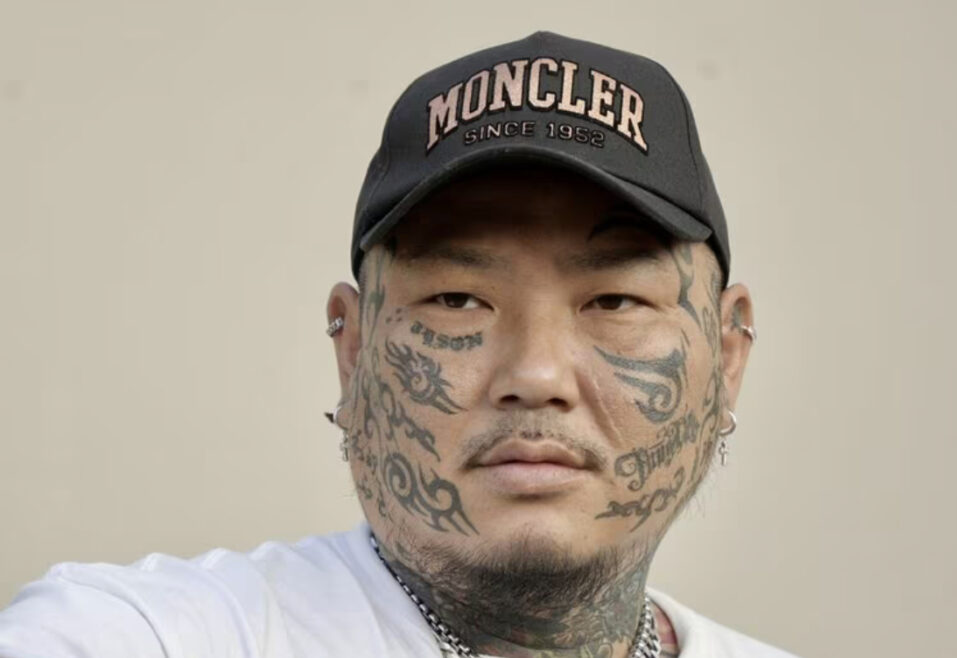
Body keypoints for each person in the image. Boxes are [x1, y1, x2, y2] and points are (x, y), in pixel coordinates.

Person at [0, 31, 798, 658]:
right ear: (351, 350)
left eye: (615, 300)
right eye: (456, 300)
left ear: (728, 356)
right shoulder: (143, 635)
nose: (535, 373)